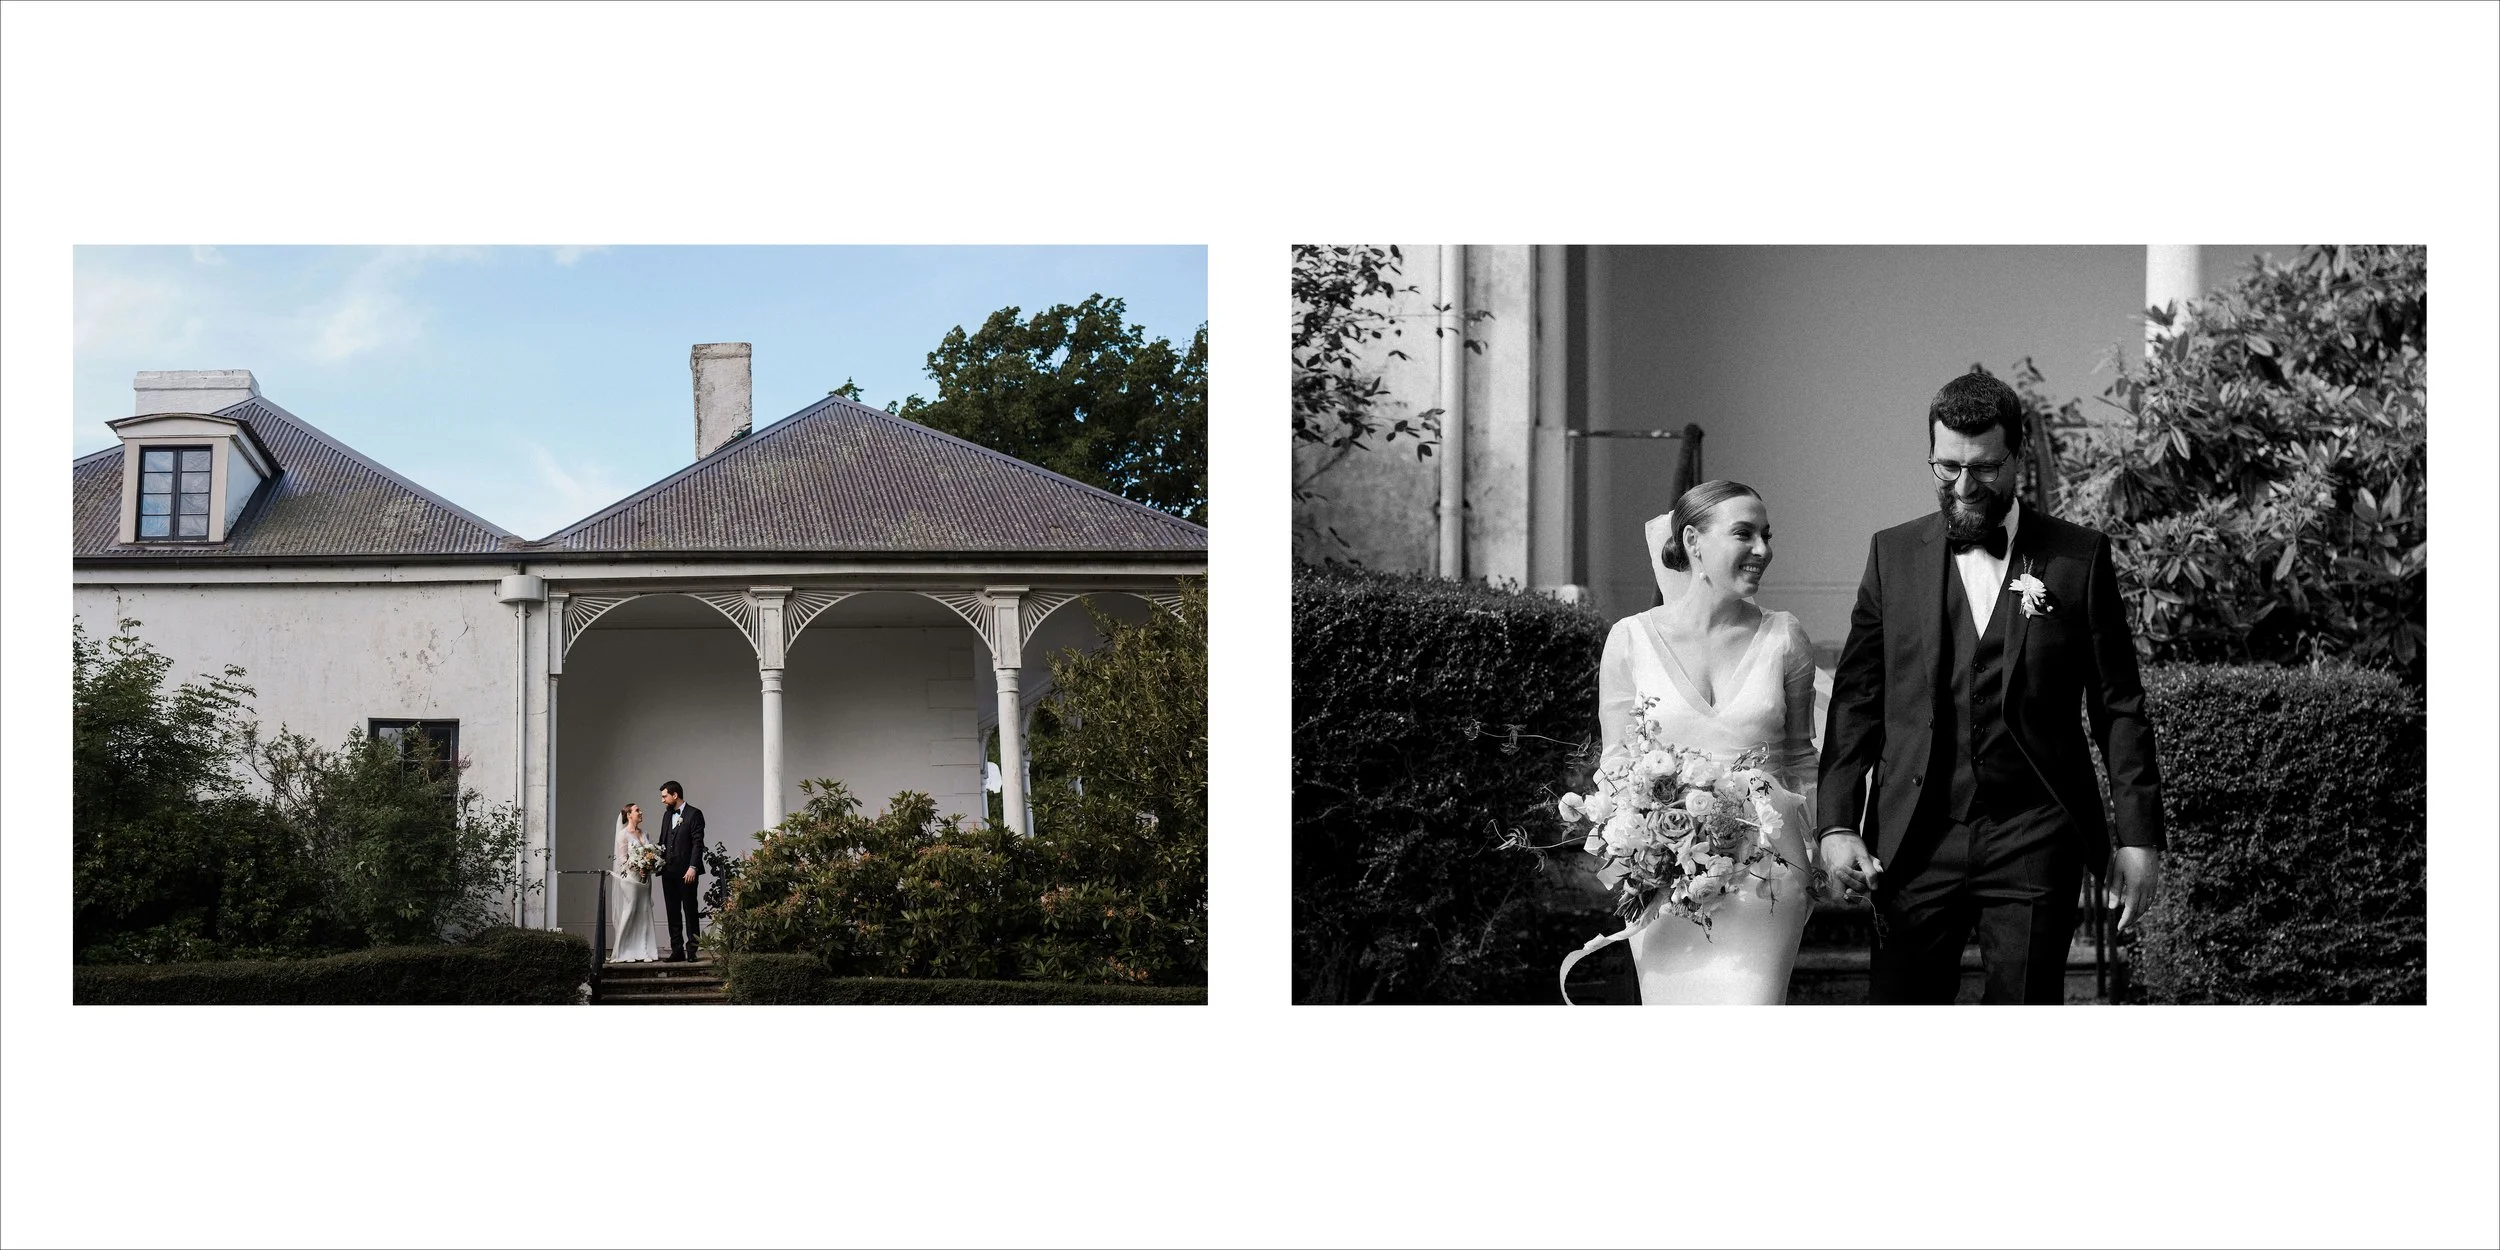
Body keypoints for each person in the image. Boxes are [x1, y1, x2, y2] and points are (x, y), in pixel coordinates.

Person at [1817, 369, 2165, 1005]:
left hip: (2035, 833)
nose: (1963, 485)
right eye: (1945, 467)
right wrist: (1837, 823)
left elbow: (2119, 706)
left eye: (1982, 468)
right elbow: (1856, 700)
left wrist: (2138, 837)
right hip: (1914, 834)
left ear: (2018, 456)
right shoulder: (1890, 555)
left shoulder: (2078, 557)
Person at [1570, 478, 1821, 1004]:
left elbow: (1801, 758)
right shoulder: (1630, 639)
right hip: (1664, 877)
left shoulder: (1784, 637)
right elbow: (1616, 763)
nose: (1762, 550)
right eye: (1744, 534)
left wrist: (1817, 852)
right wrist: (1624, 860)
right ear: (1692, 541)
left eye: (1766, 536)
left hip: (1768, 875)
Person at [655, 780, 706, 962]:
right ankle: (677, 950)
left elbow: (697, 844)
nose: (662, 800)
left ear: (674, 795)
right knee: (672, 911)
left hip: (687, 872)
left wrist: (693, 867)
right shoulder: (667, 816)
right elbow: (662, 841)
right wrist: (654, 862)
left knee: (690, 910)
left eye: (664, 796)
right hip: (668, 871)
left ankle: (692, 950)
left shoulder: (694, 814)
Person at [610, 803, 658, 963]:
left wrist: (649, 866)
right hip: (630, 879)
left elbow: (650, 855)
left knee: (644, 912)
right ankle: (623, 950)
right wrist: (638, 867)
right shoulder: (623, 835)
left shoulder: (644, 834)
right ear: (629, 814)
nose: (641, 812)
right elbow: (623, 860)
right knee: (630, 910)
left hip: (645, 879)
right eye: (637, 810)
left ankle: (644, 950)